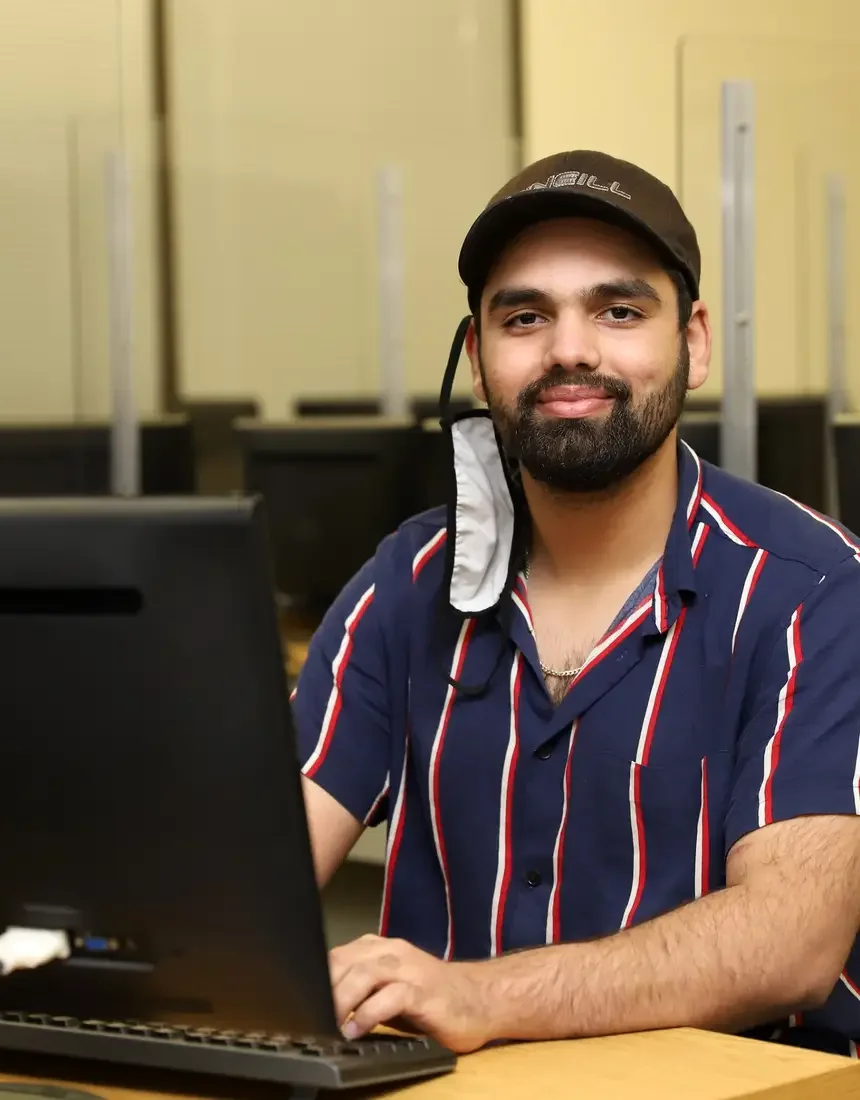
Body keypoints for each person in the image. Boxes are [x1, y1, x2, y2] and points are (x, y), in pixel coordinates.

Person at [292, 149, 860, 1056]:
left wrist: (481, 995)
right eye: (525, 317)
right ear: (477, 360)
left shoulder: (815, 589)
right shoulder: (410, 583)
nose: (569, 350)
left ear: (695, 341)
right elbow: (254, 883)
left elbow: (791, 940)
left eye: (620, 311)